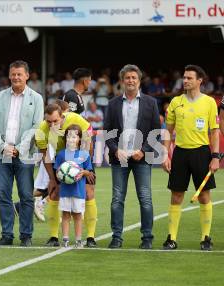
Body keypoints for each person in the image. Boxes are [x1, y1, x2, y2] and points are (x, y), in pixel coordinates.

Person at [162, 65, 220, 251]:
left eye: (189, 78)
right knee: (176, 195)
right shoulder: (176, 102)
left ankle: (206, 238)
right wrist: (165, 154)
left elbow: (215, 132)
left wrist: (215, 157)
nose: (185, 80)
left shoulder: (210, 102)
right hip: (180, 153)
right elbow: (168, 131)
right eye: (184, 78)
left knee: (204, 196)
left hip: (202, 153)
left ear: (199, 81)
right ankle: (171, 238)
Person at [104, 64, 160, 249]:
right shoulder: (112, 104)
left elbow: (155, 131)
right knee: (117, 198)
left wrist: (143, 150)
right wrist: (115, 150)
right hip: (119, 157)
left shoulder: (150, 103)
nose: (130, 81)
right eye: (127, 78)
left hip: (141, 157)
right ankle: (117, 237)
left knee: (145, 198)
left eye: (134, 78)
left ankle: (147, 238)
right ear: (122, 81)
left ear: (139, 80)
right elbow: (107, 132)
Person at [0, 60, 44, 247]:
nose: (16, 77)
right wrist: (2, 145)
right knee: (3, 194)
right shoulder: (0, 97)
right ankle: (7, 235)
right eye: (13, 74)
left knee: (26, 196)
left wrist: (19, 147)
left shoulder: (36, 98)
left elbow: (37, 126)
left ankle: (26, 235)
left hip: (25, 154)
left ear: (27, 75)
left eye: (19, 74)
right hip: (2, 152)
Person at [35, 103, 96, 247]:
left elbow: (89, 140)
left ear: (62, 117)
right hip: (61, 160)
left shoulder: (76, 119)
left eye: (55, 121)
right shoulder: (41, 130)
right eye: (48, 121)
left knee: (88, 193)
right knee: (54, 193)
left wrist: (84, 161)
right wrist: (52, 179)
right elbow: (46, 156)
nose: (52, 125)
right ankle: (53, 237)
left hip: (80, 157)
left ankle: (90, 238)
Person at [55, 125, 93, 248]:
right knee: (65, 214)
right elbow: (57, 171)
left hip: (78, 191)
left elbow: (89, 172)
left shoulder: (84, 154)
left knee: (77, 215)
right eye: (69, 136)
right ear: (65, 138)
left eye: (74, 136)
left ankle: (78, 240)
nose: (71, 139)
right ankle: (65, 239)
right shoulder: (61, 155)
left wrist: (83, 172)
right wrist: (62, 174)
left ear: (79, 139)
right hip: (65, 191)